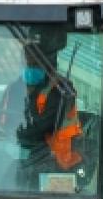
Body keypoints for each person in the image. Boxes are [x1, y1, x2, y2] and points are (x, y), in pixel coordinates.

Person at [15, 43, 84, 191]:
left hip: (59, 160)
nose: (29, 67)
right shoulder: (19, 86)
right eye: (26, 63)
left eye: (34, 63)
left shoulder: (60, 90)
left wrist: (17, 133)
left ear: (47, 64)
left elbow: (40, 127)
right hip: (33, 153)